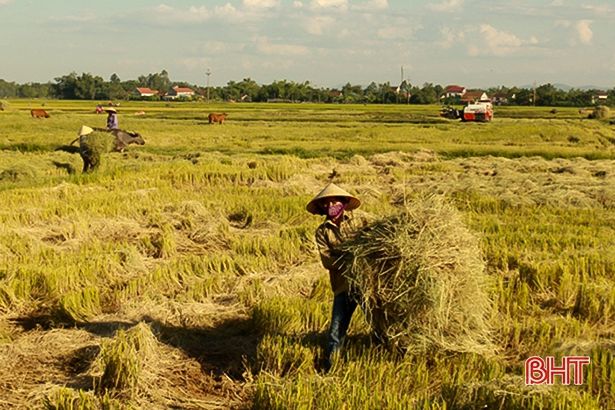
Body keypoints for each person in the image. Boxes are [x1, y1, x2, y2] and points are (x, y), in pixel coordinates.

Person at [306, 182, 362, 371]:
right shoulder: (323, 232)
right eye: (326, 204)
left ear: (343, 203)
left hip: (366, 283)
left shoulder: (359, 222)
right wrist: (353, 258)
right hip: (342, 285)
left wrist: (347, 256)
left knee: (381, 325)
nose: (331, 206)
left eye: (334, 202)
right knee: (336, 331)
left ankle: (389, 357)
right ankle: (331, 367)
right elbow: (327, 261)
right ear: (322, 208)